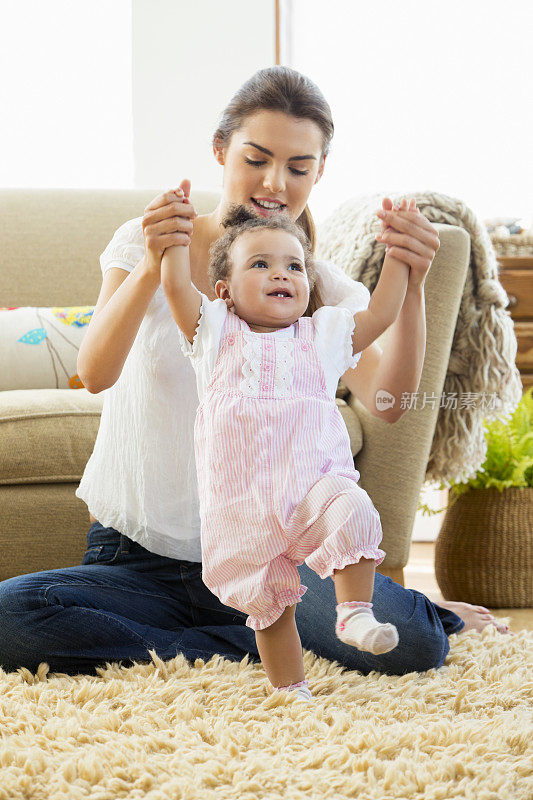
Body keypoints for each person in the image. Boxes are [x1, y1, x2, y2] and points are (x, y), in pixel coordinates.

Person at [0, 66, 510, 686]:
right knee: (13, 619)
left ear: (318, 172)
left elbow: (391, 399)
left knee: (415, 648)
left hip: (280, 551)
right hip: (142, 562)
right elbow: (94, 372)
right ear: (221, 151)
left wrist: (414, 285)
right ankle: (247, 643)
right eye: (257, 159)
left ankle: (257, 633)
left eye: (299, 167)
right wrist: (153, 265)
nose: (275, 183)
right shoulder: (150, 243)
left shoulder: (303, 285)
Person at [161, 200, 412, 703]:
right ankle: (291, 690)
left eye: (294, 266)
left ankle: (354, 613)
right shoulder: (214, 336)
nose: (282, 274)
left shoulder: (320, 338)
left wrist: (401, 258)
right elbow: (174, 287)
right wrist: (171, 239)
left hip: (313, 488)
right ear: (223, 292)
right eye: (261, 264)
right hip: (242, 508)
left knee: (354, 510)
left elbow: (382, 313)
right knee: (271, 609)